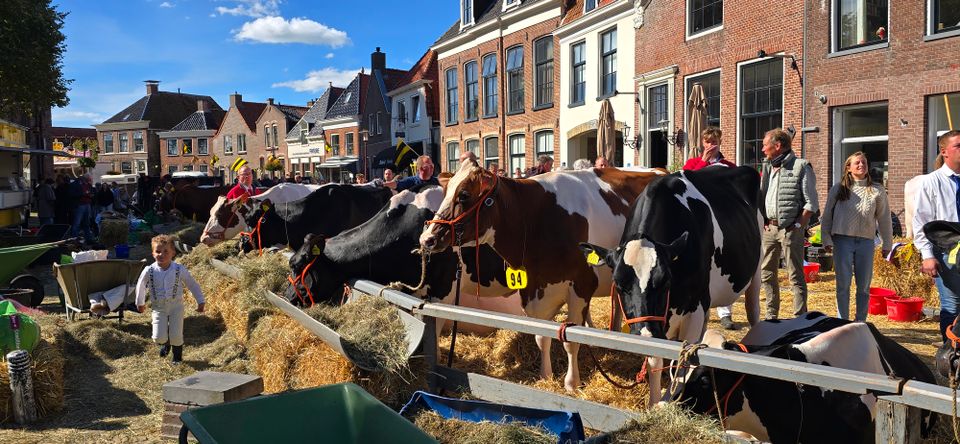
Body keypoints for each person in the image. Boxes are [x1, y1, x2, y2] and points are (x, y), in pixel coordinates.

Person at [820, 152, 892, 322]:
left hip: (866, 242)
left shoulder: (877, 190)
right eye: (857, 163)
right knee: (843, 285)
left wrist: (887, 243)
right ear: (848, 167)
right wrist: (826, 239)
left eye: (864, 163)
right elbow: (827, 216)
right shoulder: (839, 189)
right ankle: (842, 321)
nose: (861, 165)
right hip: (842, 241)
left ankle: (860, 322)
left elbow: (884, 219)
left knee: (864, 287)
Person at [759, 128, 818, 320]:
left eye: (765, 145)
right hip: (770, 228)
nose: (762, 149)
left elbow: (811, 203)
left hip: (790, 229)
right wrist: (764, 218)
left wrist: (799, 225)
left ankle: (799, 318)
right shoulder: (768, 166)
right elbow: (763, 194)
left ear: (777, 146)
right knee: (767, 273)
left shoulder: (801, 166)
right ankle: (771, 315)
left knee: (794, 275)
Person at [682, 127, 738, 329]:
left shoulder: (727, 166)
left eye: (713, 142)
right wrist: (703, 161)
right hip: (698, 220)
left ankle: (725, 313)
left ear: (720, 142)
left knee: (725, 261)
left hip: (722, 218)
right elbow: (686, 180)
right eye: (707, 141)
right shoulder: (693, 163)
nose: (710, 145)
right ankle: (698, 307)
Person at [913, 130, 960, 342]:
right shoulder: (931, 182)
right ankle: (951, 354)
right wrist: (927, 255)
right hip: (946, 251)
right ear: (945, 151)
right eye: (958, 146)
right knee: (952, 305)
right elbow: (921, 221)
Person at [135, 234, 205, 363]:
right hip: (158, 307)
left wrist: (200, 301)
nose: (161, 254)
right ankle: (165, 343)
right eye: (158, 251)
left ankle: (177, 358)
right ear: (152, 253)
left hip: (176, 306)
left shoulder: (179, 269)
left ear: (173, 253)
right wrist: (140, 302)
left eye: (166, 251)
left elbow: (192, 283)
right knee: (158, 337)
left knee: (176, 334)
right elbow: (140, 286)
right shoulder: (149, 270)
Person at [71, 174, 95, 243]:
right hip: (79, 205)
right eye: (89, 179)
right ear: (85, 178)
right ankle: (74, 239)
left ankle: (88, 239)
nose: (90, 181)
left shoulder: (88, 184)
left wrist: (91, 195)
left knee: (87, 223)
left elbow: (92, 191)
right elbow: (72, 194)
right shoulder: (75, 184)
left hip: (87, 204)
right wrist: (83, 194)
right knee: (77, 223)